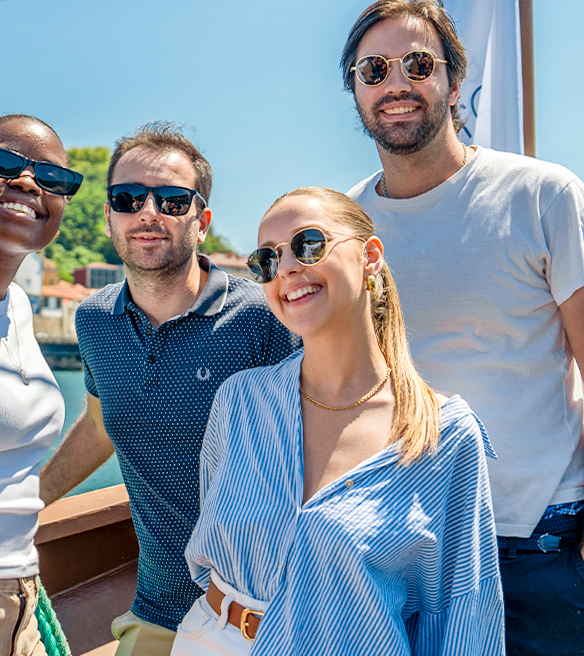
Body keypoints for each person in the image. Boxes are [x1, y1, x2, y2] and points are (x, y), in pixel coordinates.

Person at [342, 0, 584, 656]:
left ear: (455, 80)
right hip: (398, 548)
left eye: (417, 64)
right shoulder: (344, 226)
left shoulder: (546, 195)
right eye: (374, 71)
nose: (395, 84)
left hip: (537, 552)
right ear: (356, 92)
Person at [175, 187, 502, 656]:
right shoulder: (241, 401)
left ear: (370, 257)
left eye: (309, 243)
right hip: (213, 639)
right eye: (266, 260)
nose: (286, 268)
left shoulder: (441, 434)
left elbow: (460, 610)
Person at [38, 123, 298, 656]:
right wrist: (25, 503)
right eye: (129, 198)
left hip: (264, 611)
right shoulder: (95, 321)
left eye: (173, 200)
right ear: (109, 216)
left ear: (202, 222)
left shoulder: (263, 318)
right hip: (158, 606)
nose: (148, 213)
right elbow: (99, 423)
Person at [0, 116, 79, 656]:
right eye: (1, 164)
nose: (29, 183)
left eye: (52, 179)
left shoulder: (19, 306)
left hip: (22, 594)